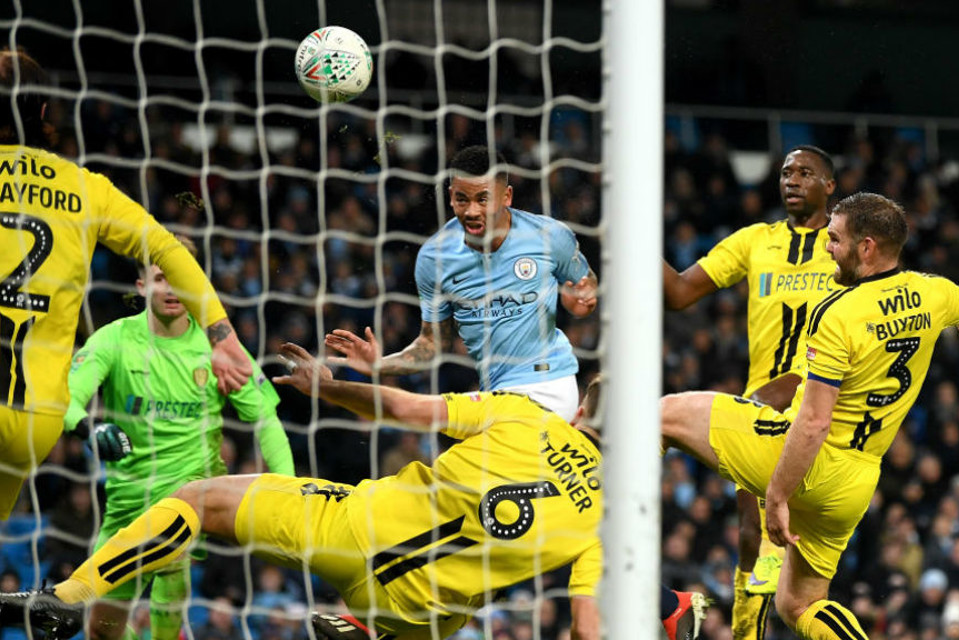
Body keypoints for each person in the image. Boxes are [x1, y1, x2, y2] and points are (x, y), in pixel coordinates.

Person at [0, 356, 706, 640]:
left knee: (199, 500)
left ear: (581, 410)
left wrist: (328, 383)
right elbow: (586, 627)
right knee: (452, 616)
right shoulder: (612, 527)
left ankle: (67, 596)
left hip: (351, 527)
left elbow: (402, 408)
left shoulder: (524, 414)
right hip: (420, 614)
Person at [660, 192, 959, 640]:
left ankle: (650, 592)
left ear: (867, 248)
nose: (827, 248)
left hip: (806, 459)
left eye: (835, 240)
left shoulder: (838, 315)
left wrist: (778, 497)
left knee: (661, 415)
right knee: (800, 604)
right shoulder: (934, 292)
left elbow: (813, 422)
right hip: (857, 481)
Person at [0, 48, 251, 520]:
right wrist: (223, 335)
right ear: (43, 113)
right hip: (35, 422)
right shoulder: (84, 187)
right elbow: (170, 251)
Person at [62, 237, 295, 640]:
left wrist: (288, 491)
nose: (171, 289)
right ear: (141, 287)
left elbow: (266, 421)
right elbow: (65, 401)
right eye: (160, 278)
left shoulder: (219, 348)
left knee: (170, 588)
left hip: (190, 502)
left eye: (181, 278)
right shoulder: (113, 339)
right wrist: (90, 428)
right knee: (101, 630)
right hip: (127, 506)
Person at [663, 145, 837, 640]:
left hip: (820, 398)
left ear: (830, 186)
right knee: (750, 538)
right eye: (786, 173)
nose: (792, 180)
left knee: (791, 548)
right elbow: (678, 293)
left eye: (806, 173)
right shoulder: (756, 241)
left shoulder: (843, 245)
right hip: (760, 400)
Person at [325, 145, 598, 421]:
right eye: (462, 199)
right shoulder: (435, 258)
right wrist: (381, 365)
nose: (471, 211)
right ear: (451, 198)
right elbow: (432, 343)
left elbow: (587, 286)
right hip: (495, 392)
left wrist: (580, 304)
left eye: (483, 199)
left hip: (550, 382)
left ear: (507, 197)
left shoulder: (548, 236)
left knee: (420, 416)